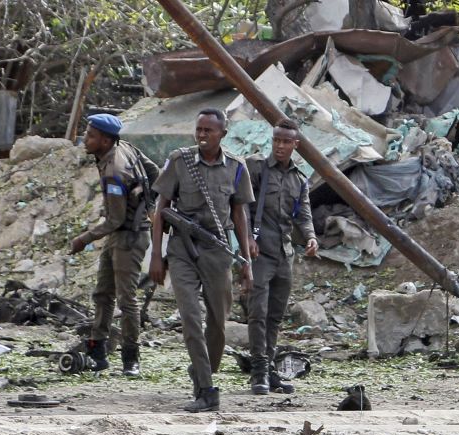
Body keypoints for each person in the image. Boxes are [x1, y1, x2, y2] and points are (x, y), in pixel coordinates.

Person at [150, 108, 254, 412]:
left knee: (218, 325)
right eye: (199, 130)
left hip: (218, 251)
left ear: (223, 133)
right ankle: (207, 390)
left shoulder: (236, 167)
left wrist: (245, 260)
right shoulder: (179, 161)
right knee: (191, 318)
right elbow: (162, 208)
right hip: (182, 249)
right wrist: (157, 254)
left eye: (209, 130)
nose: (202, 135)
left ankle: (202, 370)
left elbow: (239, 214)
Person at [69, 113, 159, 376]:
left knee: (126, 299)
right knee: (102, 293)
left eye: (91, 136)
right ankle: (98, 352)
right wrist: (146, 199)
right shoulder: (124, 147)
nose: (85, 139)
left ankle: (131, 358)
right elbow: (153, 170)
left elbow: (115, 219)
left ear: (106, 140)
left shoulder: (113, 172)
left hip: (129, 236)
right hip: (120, 234)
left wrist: (83, 239)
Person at [244, 120, 318, 395]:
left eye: (286, 142)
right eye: (277, 140)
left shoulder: (299, 178)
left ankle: (270, 370)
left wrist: (311, 237)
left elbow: (303, 213)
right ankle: (259, 372)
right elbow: (241, 208)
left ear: (295, 145)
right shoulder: (257, 169)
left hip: (284, 253)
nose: (280, 146)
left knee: (275, 315)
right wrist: (246, 241)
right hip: (259, 251)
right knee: (257, 313)